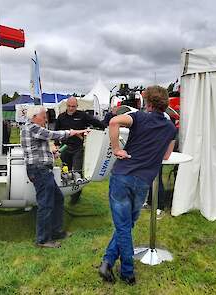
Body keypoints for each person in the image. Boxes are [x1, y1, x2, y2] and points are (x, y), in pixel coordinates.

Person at [98, 85, 176, 285]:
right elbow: (167, 155)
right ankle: (110, 263)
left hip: (122, 176)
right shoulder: (170, 128)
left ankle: (125, 271)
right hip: (143, 181)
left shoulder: (139, 117)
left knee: (124, 226)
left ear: (148, 103)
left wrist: (116, 148)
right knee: (126, 225)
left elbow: (114, 121)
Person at [21, 105, 88, 248]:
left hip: (41, 169)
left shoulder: (32, 127)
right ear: (34, 117)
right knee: (46, 204)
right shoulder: (32, 127)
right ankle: (43, 239)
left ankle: (56, 231)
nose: (45, 119)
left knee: (58, 199)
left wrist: (52, 154)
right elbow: (52, 134)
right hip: (40, 170)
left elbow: (38, 148)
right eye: (43, 116)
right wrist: (73, 132)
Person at [55, 96, 105, 204]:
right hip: (65, 148)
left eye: (73, 106)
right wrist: (56, 144)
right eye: (69, 106)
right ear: (66, 106)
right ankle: (66, 192)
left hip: (77, 148)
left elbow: (95, 122)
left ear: (77, 106)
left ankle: (75, 197)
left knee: (77, 173)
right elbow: (56, 131)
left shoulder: (82, 116)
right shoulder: (61, 117)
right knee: (65, 172)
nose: (71, 108)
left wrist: (106, 128)